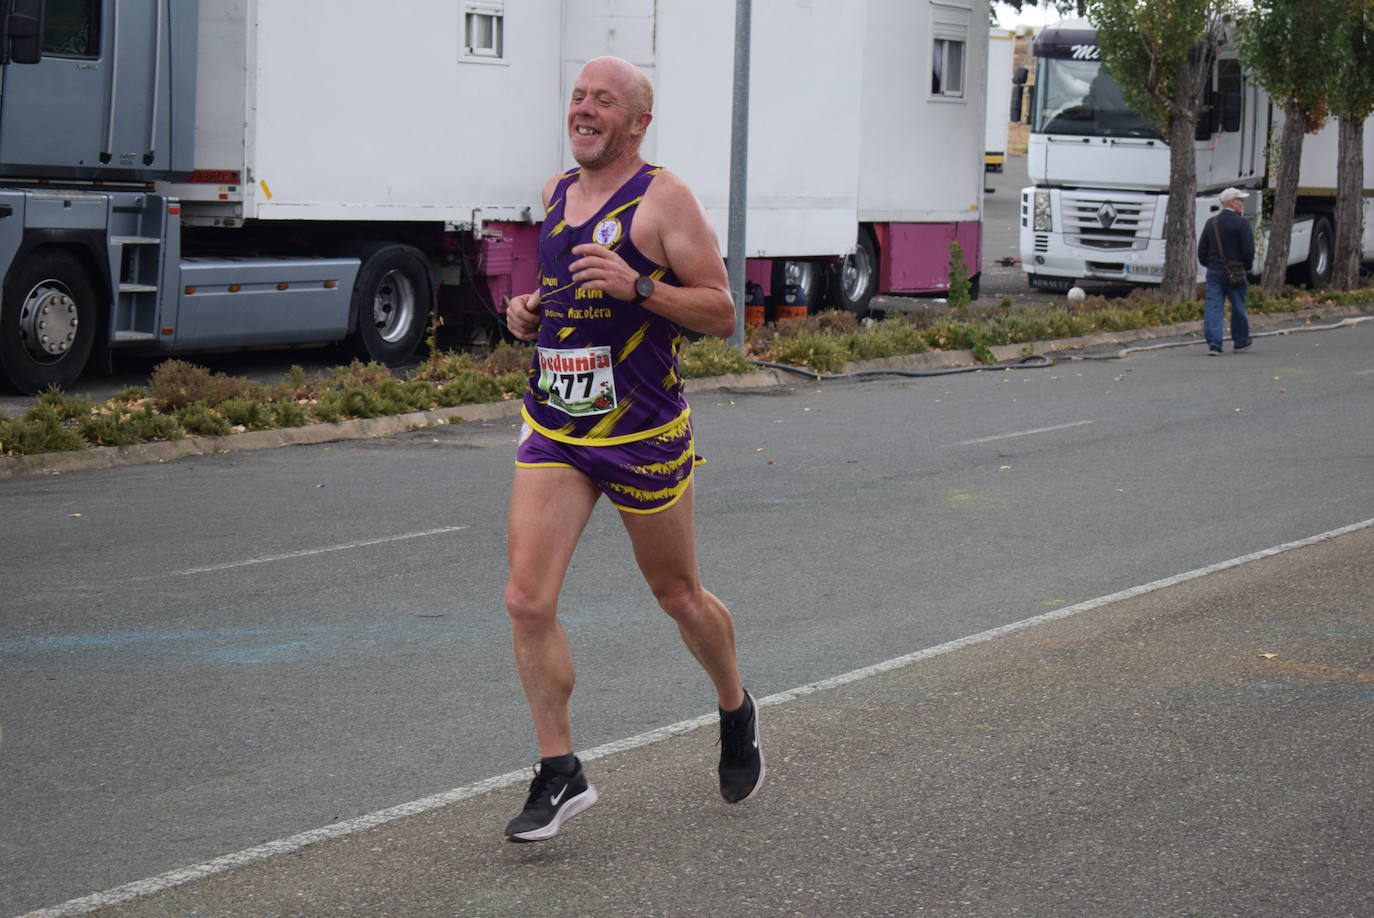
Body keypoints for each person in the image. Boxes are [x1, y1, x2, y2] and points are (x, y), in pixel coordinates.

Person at [499, 56, 765, 843]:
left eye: (602, 101)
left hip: (641, 433)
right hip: (557, 427)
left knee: (678, 595)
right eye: (578, 96)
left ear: (636, 121)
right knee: (525, 598)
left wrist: (639, 286)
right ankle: (560, 771)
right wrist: (529, 313)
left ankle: (735, 707)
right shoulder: (554, 193)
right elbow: (562, 296)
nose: (584, 109)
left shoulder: (663, 199)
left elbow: (721, 312)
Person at [1196, 187, 1255, 355]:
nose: (1242, 203)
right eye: (1240, 200)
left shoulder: (1211, 223)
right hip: (1236, 271)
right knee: (1238, 306)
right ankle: (1240, 341)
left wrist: (1211, 264)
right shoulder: (1242, 224)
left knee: (1213, 306)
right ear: (1231, 202)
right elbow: (1248, 251)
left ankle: (1214, 343)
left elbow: (1202, 252)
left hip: (1214, 270)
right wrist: (1246, 266)